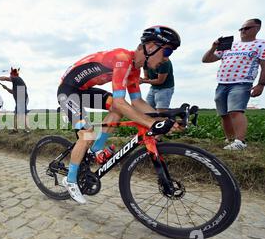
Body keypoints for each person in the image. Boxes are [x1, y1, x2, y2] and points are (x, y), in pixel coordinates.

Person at [57, 26, 181, 204]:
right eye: (167, 51)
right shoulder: (123, 59)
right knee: (87, 133)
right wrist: (150, 124)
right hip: (67, 91)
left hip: (84, 90)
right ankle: (70, 180)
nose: (167, 58)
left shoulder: (134, 70)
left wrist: (162, 119)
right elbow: (122, 102)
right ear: (151, 47)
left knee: (116, 110)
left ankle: (95, 149)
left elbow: (137, 103)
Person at [202, 19, 265, 151]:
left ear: (257, 28)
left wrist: (261, 84)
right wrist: (214, 47)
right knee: (224, 114)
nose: (243, 31)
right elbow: (206, 60)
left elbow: (264, 66)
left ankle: (240, 141)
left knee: (235, 111)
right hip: (222, 83)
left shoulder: (261, 44)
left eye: (246, 28)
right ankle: (230, 140)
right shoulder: (230, 45)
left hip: (242, 82)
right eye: (241, 29)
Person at [0, 67, 30, 132]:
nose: (10, 76)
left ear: (13, 74)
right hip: (21, 97)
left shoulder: (16, 78)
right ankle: (17, 129)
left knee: (21, 114)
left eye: (10, 75)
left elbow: (5, 78)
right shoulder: (17, 82)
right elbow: (12, 92)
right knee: (17, 114)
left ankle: (26, 129)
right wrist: (6, 88)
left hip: (21, 97)